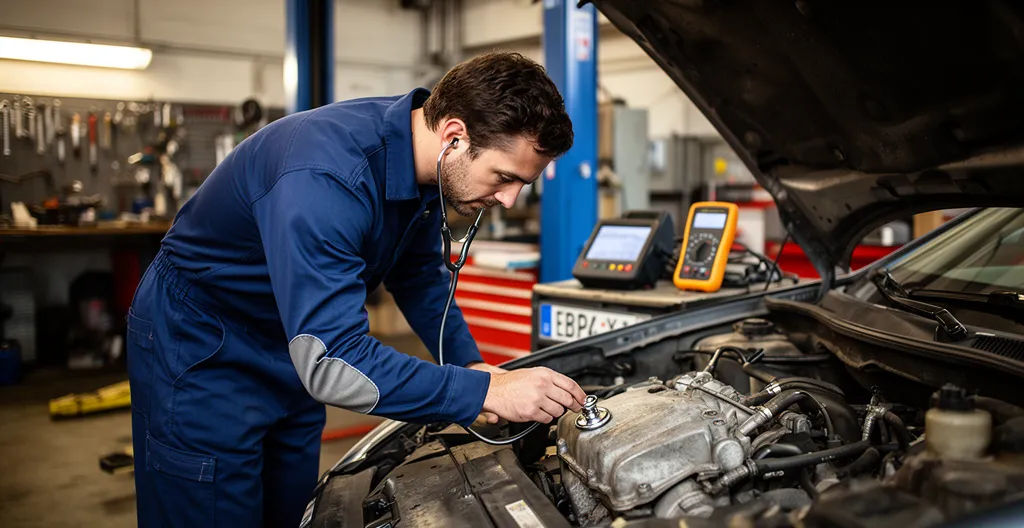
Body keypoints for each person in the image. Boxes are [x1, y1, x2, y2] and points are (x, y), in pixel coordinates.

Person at [125, 51, 587, 527]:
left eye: (522, 185)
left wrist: (471, 364)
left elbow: (418, 277)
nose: (509, 200)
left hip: (291, 340)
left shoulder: (422, 164)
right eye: (505, 177)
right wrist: (480, 391)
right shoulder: (326, 178)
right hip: (204, 342)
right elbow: (329, 360)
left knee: (288, 510)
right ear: (454, 135)